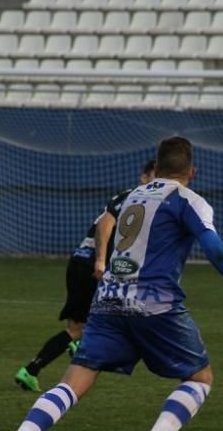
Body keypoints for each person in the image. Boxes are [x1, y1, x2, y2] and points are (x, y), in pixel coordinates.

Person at [0, 137, 223, 431]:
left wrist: (102, 260)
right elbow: (215, 250)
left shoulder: (131, 195)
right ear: (193, 171)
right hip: (156, 304)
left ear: (155, 168)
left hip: (108, 299)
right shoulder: (190, 200)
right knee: (200, 378)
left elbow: (104, 224)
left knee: (72, 383)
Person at [14, 159, 157, 392]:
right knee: (80, 327)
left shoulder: (123, 196)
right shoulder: (139, 201)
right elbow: (107, 230)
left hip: (78, 261)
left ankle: (75, 348)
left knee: (80, 324)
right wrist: (105, 262)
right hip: (91, 266)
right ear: (143, 177)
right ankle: (31, 369)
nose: (158, 182)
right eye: (154, 176)